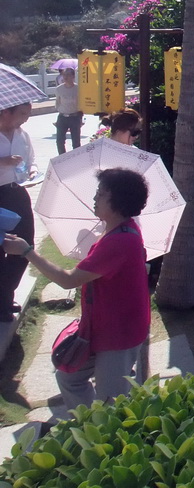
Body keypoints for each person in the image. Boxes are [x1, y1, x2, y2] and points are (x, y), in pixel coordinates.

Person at [3, 168, 150, 409]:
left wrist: (27, 251)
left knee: (111, 400)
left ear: (118, 201)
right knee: (69, 378)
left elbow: (68, 280)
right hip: (100, 327)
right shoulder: (119, 229)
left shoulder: (121, 240)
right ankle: (90, 427)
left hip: (119, 334)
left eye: (101, 194)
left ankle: (107, 439)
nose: (94, 198)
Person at [0, 102, 37, 322]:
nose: (26, 118)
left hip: (16, 194)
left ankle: (6, 294)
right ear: (6, 111)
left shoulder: (23, 135)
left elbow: (31, 160)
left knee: (24, 245)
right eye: (23, 113)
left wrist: (32, 170)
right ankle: (2, 302)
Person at [54, 69, 84, 154]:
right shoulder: (58, 89)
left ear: (73, 76)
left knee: (76, 142)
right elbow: (58, 103)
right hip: (62, 117)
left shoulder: (78, 89)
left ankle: (76, 160)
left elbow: (81, 104)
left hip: (75, 117)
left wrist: (80, 117)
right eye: (64, 75)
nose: (66, 77)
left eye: (68, 75)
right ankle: (62, 158)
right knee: (59, 141)